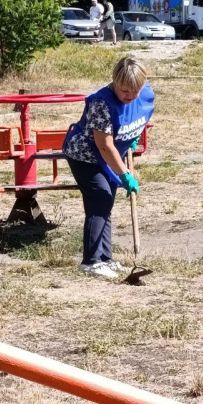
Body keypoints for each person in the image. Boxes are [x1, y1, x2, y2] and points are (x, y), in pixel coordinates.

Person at [62, 56, 154, 281]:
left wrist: (132, 137)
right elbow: (104, 145)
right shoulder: (101, 103)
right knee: (100, 198)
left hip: (112, 154)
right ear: (114, 82)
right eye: (124, 91)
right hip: (85, 156)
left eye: (134, 91)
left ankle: (105, 258)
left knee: (106, 202)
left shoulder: (145, 94)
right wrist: (125, 174)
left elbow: (139, 118)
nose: (129, 96)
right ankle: (91, 262)